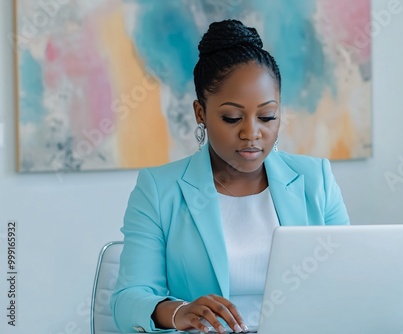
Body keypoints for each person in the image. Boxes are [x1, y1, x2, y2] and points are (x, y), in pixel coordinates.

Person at [111, 19, 350, 334]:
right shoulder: (159, 189)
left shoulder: (315, 179)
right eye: (232, 117)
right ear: (201, 114)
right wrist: (179, 312)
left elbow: (348, 277)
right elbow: (128, 300)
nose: (252, 133)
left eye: (267, 116)